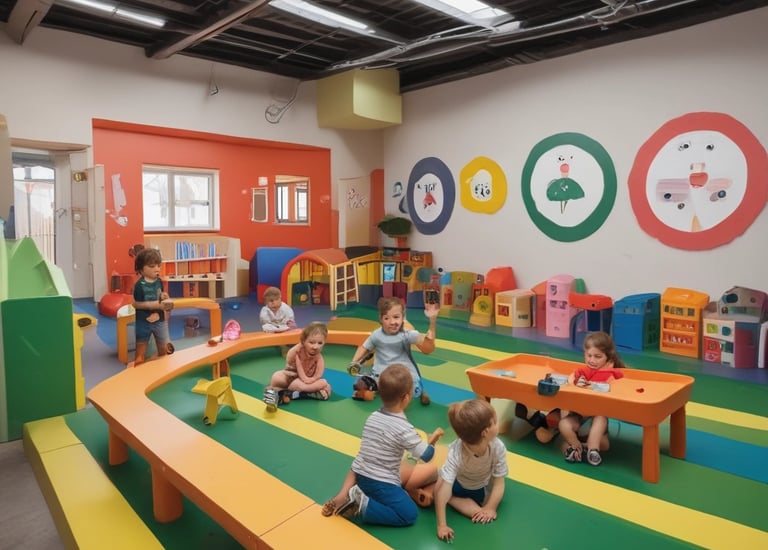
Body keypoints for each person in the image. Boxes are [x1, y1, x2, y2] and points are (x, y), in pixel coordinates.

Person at [322, 364, 440, 526]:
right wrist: (433, 441)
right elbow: (426, 456)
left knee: (367, 464)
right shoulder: (404, 428)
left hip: (361, 476)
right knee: (409, 514)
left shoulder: (373, 417)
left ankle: (347, 494)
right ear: (406, 397)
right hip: (381, 483)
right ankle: (362, 505)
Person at [433, 399, 508, 543]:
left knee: (481, 512)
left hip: (480, 488)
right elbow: (444, 489)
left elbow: (499, 482)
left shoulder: (497, 447)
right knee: (439, 489)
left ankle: (447, 497)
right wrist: (442, 526)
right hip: (458, 484)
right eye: (496, 422)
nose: (498, 424)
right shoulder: (456, 452)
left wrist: (491, 507)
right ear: (485, 432)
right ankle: (441, 492)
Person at [348, 296, 438, 405]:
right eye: (387, 318)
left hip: (402, 376)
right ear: (381, 319)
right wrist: (354, 362)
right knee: (360, 385)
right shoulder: (376, 335)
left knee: (400, 390)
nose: (392, 322)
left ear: (402, 317)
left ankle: (407, 392)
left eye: (396, 317)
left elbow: (428, 349)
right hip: (381, 376)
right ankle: (383, 390)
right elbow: (364, 347)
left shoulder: (406, 334)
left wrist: (432, 322)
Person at [558, 331, 626, 466]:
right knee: (563, 425)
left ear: (609, 360)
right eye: (589, 355)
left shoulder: (612, 374)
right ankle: (576, 446)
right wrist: (575, 383)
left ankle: (592, 450)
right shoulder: (583, 371)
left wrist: (607, 371)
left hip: (596, 419)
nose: (592, 360)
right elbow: (571, 379)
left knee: (603, 435)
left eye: (597, 357)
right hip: (578, 417)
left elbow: (615, 385)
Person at [263, 322, 332, 411]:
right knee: (276, 376)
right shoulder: (298, 350)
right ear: (303, 341)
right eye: (311, 342)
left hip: (304, 382)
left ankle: (288, 394)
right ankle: (280, 395)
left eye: (320, 343)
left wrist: (315, 383)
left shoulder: (319, 358)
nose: (315, 347)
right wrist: (299, 346)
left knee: (323, 383)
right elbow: (289, 359)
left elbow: (318, 376)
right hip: (290, 377)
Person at [131, 247, 174, 366]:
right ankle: (139, 366)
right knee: (141, 350)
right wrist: (155, 305)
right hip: (143, 322)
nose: (157, 269)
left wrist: (164, 296)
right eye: (152, 266)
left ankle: (161, 367)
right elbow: (137, 304)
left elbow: (160, 295)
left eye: (158, 266)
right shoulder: (139, 285)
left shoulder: (159, 281)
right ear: (141, 269)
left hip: (159, 320)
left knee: (164, 349)